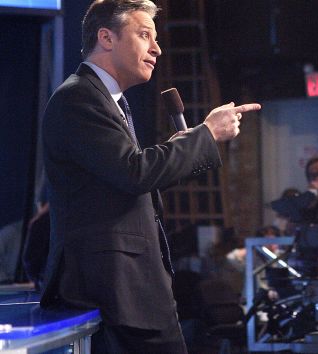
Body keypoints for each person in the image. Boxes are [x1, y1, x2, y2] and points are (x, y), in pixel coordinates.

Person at [39, 1, 261, 352]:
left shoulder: (106, 100)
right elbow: (134, 172)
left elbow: (126, 178)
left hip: (127, 290)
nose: (157, 48)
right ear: (106, 38)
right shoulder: (78, 98)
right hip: (112, 291)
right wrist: (206, 134)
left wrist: (184, 146)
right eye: (144, 35)